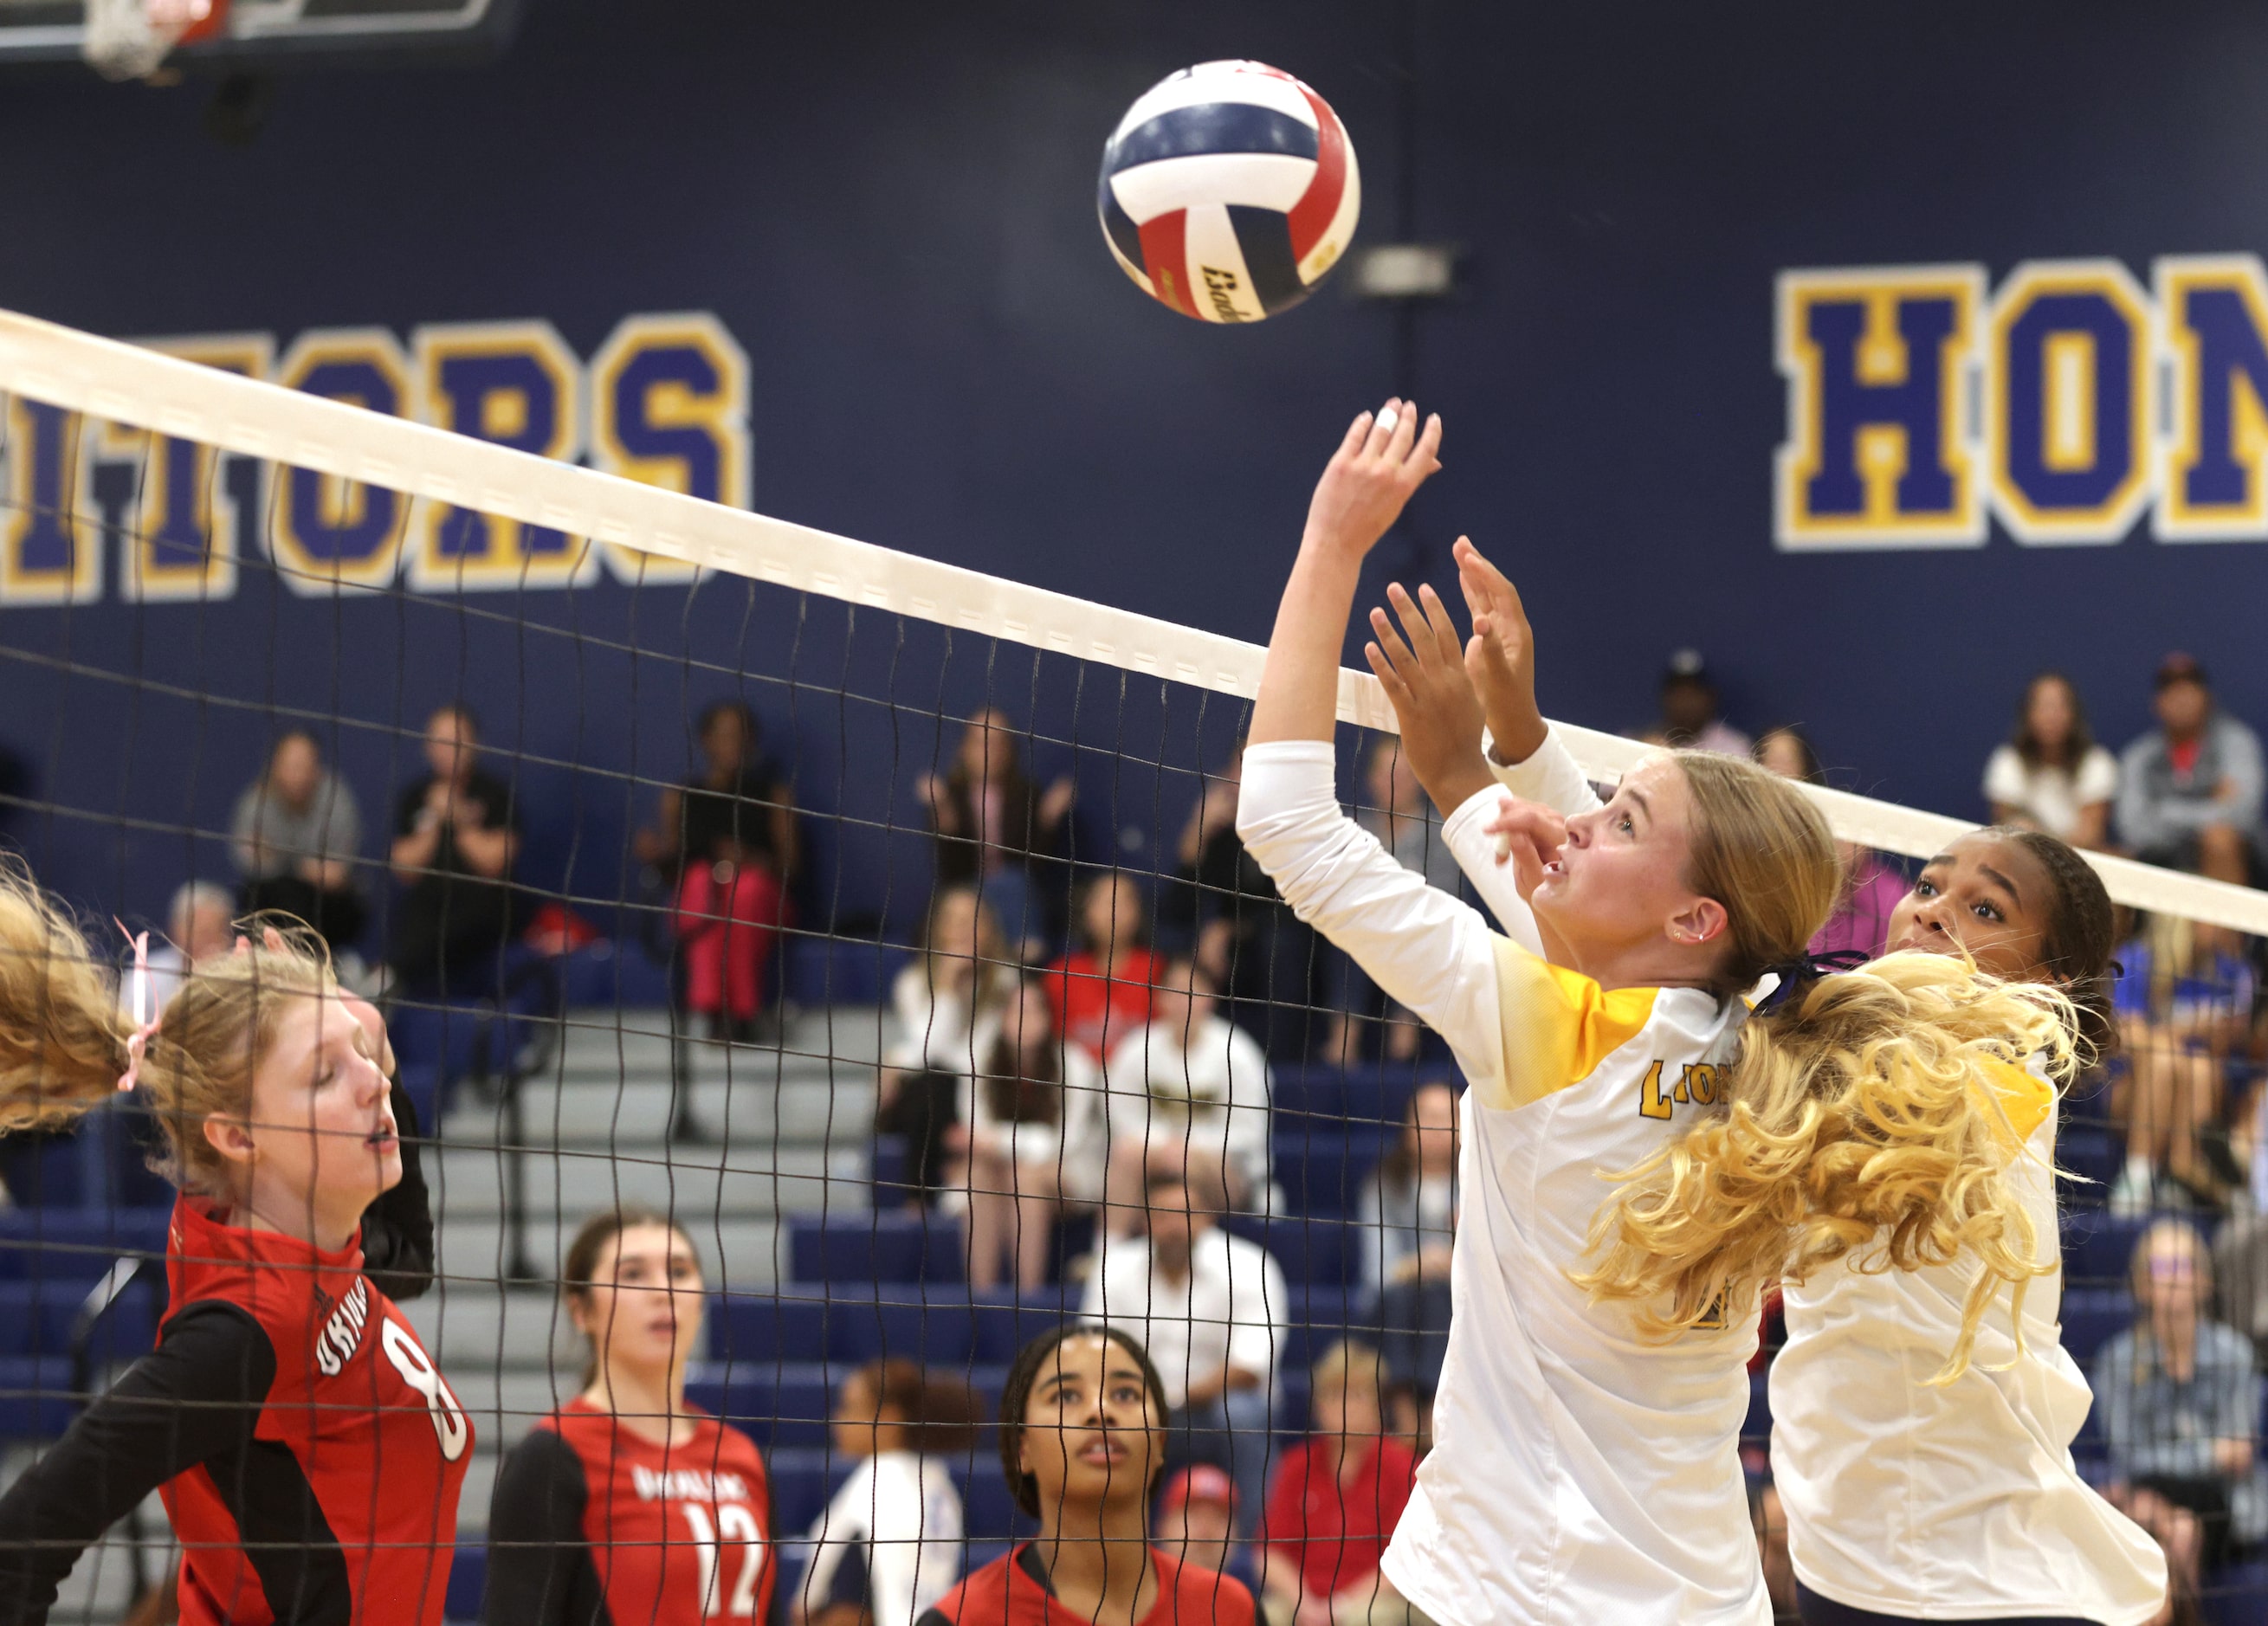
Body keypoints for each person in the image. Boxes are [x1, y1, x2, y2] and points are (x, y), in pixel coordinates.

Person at [1240, 401, 2080, 1624]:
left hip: (1488, 1594)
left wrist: (1330, 537)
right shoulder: (1768, 1054)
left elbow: (1287, 825)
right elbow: (1634, 943)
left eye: (1617, 816)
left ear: (1695, 920)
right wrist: (1484, 764)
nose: (1579, 819)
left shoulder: (1554, 1027)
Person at [1445, 529, 2168, 1622]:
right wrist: (1518, 733)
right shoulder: (1835, 1033)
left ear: (2050, 977)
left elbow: (1679, 943)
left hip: (1976, 1573)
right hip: (1851, 1558)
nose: (1932, 910)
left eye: (1985, 911)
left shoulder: (1998, 1068)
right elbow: (1655, 921)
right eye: (1932, 886)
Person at [0, 871, 464, 1624]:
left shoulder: (292, 1243)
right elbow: (21, 1548)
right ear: (238, 1137)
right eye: (325, 1074)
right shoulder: (242, 1331)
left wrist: (377, 1054)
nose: (371, 1084)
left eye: (362, 1052)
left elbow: (404, 1261)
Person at [484, 1206, 774, 1625]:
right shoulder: (552, 1459)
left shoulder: (742, 1457)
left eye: (679, 1271)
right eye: (633, 1274)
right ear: (582, 1312)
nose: (663, 1292)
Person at [916, 1325, 1256, 1626]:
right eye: (1066, 1396)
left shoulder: (1231, 1610)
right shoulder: (964, 1618)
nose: (1100, 1410)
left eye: (1125, 1394)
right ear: (1023, 1450)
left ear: (1160, 1443)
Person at [1081, 1171, 1285, 1527]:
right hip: (1143, 1406)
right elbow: (1096, 1353)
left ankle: (1257, 1546)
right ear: (1145, 1221)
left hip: (1217, 1406)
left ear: (1206, 1218)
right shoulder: (1114, 1269)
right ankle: (1118, 1542)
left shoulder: (1250, 1266)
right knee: (1105, 1415)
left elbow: (1251, 1366)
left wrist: (1176, 1396)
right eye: (1162, 1216)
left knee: (1241, 1414)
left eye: (1184, 1215)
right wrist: (1147, 1400)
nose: (1173, 1226)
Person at [2097, 1220, 2266, 1603]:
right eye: (2160, 1269)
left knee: (2180, 1525)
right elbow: (2128, 1455)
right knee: (2179, 1530)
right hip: (2146, 1509)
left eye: (2182, 1267)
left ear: (2204, 1281)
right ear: (2142, 1284)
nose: (2173, 1281)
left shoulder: (2235, 1355)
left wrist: (2167, 1466)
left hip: (2223, 1508)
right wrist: (2210, 1453)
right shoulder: (2116, 1360)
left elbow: (2239, 1454)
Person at [634, 699, 799, 1043]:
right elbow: (673, 867)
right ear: (706, 740)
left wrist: (750, 859)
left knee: (745, 890)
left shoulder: (773, 794)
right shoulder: (681, 796)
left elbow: (791, 867)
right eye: (723, 735)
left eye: (740, 735)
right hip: (702, 895)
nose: (732, 744)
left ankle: (743, 1012)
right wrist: (657, 855)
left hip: (760, 897)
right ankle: (714, 1009)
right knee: (697, 882)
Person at [1164, 740, 1328, 1062]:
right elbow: (1176, 910)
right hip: (1227, 953)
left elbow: (1291, 909)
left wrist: (1228, 929)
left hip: (1284, 943)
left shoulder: (1295, 828)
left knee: (1281, 944)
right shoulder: (1222, 834)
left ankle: (1276, 1063)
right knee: (1182, 946)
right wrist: (1196, 835)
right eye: (1242, 770)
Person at [798, 1360, 979, 1626]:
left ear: (888, 1418)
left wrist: (806, 1606)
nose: (836, 1420)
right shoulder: (940, 1486)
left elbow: (828, 1585)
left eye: (848, 1407)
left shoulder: (878, 1479)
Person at [953, 975, 1106, 1291]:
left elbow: (1066, 1142)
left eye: (1034, 1011)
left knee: (1026, 1179)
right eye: (1015, 1012)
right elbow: (973, 1131)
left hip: (1074, 1170)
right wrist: (1002, 1145)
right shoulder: (981, 1062)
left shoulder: (1074, 1064)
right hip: (1002, 1170)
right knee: (980, 1174)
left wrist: (999, 1141)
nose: (1025, 1021)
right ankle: (981, 1299)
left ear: (1049, 1018)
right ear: (1002, 1019)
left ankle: (1028, 1299)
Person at [1255, 1342, 1418, 1626]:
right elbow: (1269, 1553)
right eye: (1333, 1395)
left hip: (1375, 1601)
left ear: (1378, 1406)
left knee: (1365, 1620)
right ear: (1318, 1406)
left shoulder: (1405, 1468)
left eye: (1355, 1395)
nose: (1344, 1407)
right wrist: (1306, 1604)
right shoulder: (1296, 1466)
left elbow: (1409, 1562)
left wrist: (1339, 1608)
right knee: (1267, 1614)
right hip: (1305, 1600)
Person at [1101, 957, 1271, 1224]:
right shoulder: (1135, 1050)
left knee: (1190, 1165)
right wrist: (1163, 1147)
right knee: (1125, 1155)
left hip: (1224, 1169)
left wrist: (1186, 1149)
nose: (1184, 1000)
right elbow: (1121, 1118)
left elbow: (1248, 1133)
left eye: (1193, 991)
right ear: (1161, 998)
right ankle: (1109, 1252)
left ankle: (1196, 1255)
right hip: (1153, 1159)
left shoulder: (1239, 1053)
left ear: (1210, 998)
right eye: (1175, 991)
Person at [877, 885, 1018, 1203]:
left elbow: (983, 1055)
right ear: (938, 928)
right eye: (953, 920)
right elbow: (928, 1049)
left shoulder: (1008, 983)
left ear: (990, 929)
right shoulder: (912, 983)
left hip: (985, 1091)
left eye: (972, 920)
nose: (962, 930)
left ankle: (925, 1196)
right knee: (929, 1085)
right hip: (932, 1097)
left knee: (930, 1079)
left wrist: (899, 1059)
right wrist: (947, 988)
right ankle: (918, 1200)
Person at [2110, 913, 2257, 1214]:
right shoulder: (2138, 957)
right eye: (2211, 917)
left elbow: (2234, 1045)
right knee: (2164, 1057)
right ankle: (2139, 1175)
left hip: (2200, 1089)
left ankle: (2184, 1173)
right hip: (2134, 1094)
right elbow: (2127, 1036)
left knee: (2199, 1065)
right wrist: (2189, 1030)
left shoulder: (2230, 971)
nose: (2220, 924)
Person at [1328, 740, 1464, 1062]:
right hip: (1362, 933)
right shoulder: (1351, 828)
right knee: (1346, 936)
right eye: (1387, 772)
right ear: (1372, 778)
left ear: (1418, 779)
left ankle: (1405, 1031)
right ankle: (1342, 1039)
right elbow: (1337, 894)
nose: (1394, 782)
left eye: (1403, 774)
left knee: (1421, 941)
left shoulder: (1440, 832)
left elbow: (1445, 901)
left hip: (1416, 934)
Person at [916, 707, 1076, 964]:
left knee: (1012, 881)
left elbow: (1033, 866)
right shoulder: (950, 794)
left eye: (998, 741)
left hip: (1016, 894)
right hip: (967, 891)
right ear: (964, 748)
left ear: (1010, 749)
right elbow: (952, 872)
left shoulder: (1026, 794)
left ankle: (1020, 963)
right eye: (981, 741)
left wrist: (1047, 821)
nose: (990, 750)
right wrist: (946, 821)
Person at [388, 702, 520, 993]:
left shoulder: (495, 793)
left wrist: (459, 820)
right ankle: (389, 979)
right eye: (439, 741)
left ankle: (390, 976)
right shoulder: (415, 796)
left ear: (474, 744)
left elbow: (496, 862)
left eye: (455, 740)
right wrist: (434, 820)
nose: (447, 749)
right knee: (413, 918)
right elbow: (404, 869)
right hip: (429, 901)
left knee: (467, 917)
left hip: (480, 902)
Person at [1754, 727, 1904, 958]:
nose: (1839, 845)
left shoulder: (1895, 900)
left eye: (1847, 836)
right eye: (1831, 835)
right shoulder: (1789, 888)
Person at [2119, 654, 2265, 888]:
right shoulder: (2139, 756)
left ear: (2207, 697)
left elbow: (2243, 814)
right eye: (2172, 692)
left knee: (2219, 840)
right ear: (2158, 703)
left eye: (2189, 690)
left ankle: (2218, 925)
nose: (2181, 699)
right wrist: (2213, 805)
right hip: (2160, 859)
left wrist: (2164, 810)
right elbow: (2133, 828)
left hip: (2239, 863)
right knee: (2114, 860)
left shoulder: (2237, 743)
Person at [230, 728, 367, 951]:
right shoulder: (256, 803)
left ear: (317, 768)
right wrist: (303, 865)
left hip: (328, 904)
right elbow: (251, 864)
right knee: (269, 894)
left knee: (300, 895)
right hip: (271, 900)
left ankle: (323, 965)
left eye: (306, 765)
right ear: (275, 766)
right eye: (292, 765)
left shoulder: (336, 798)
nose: (299, 774)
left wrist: (282, 858)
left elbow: (336, 875)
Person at [1983, 672, 2119, 849]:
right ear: (2028, 713)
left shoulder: (2097, 763)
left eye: (2059, 706)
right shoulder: (2007, 762)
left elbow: (2089, 838)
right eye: (2043, 706)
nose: (2051, 716)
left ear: (2074, 714)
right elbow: (2007, 831)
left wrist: (2035, 836)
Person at [1044, 870, 1163, 1066]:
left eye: (1124, 902)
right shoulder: (1060, 975)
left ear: (1138, 912)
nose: (1113, 911)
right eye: (1104, 901)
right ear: (1086, 912)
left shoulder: (1158, 971)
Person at [1354, 1083, 1457, 1298]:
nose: (1438, 1127)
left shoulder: (1481, 1189)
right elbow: (1378, 1274)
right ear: (1408, 1127)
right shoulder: (1383, 1187)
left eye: (1448, 1116)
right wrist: (1419, 1266)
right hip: (1397, 1310)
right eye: (1429, 1116)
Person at [1155, 1466, 1257, 1597]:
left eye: (1219, 1517)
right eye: (1192, 1515)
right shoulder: (1134, 1591)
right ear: (1163, 1525)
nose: (1206, 1530)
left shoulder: (1251, 1597)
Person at [139, 878, 237, 1010]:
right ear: (176, 930)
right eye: (200, 932)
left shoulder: (239, 981)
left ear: (229, 937)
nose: (206, 943)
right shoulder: (146, 977)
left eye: (214, 933)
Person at [1644, 648, 1752, 756]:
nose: (1686, 702)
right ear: (1665, 698)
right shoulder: (1645, 744)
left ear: (1710, 698)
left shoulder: (1734, 747)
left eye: (1693, 694)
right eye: (1679, 694)